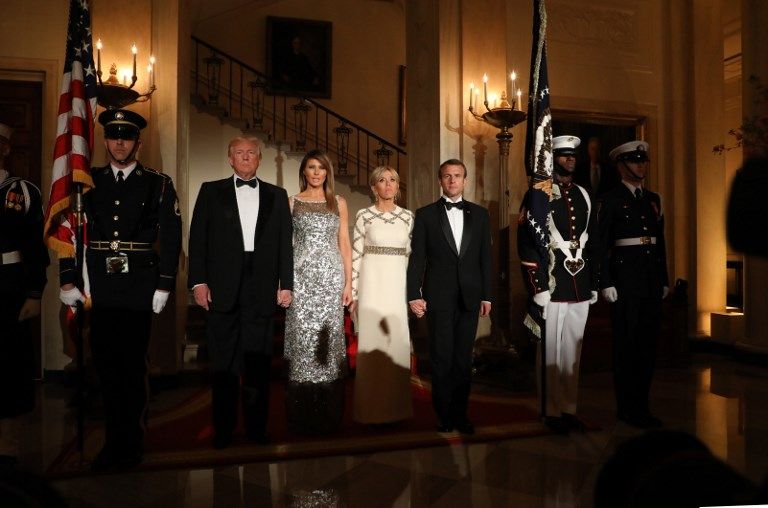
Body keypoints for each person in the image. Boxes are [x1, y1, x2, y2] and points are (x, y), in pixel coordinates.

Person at [58, 109, 181, 471]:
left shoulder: (158, 183)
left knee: (132, 369)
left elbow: (171, 237)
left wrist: (165, 284)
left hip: (139, 287)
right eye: (114, 137)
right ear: (106, 142)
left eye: (126, 137)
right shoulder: (88, 182)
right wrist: (68, 277)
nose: (120, 143)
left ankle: (131, 443)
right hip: (101, 287)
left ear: (138, 143)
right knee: (107, 369)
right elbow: (71, 232)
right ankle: (113, 443)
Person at [188, 136, 293, 449]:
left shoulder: (277, 195)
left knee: (258, 365)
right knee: (223, 364)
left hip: (261, 286)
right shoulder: (210, 191)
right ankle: (223, 430)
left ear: (259, 159)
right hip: (221, 287)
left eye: (251, 153)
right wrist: (198, 282)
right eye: (239, 153)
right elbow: (197, 239)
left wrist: (285, 283)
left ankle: (257, 429)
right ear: (229, 158)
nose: (246, 157)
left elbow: (284, 244)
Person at [518, 135, 599, 434]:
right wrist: (537, 286)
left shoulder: (583, 194)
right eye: (564, 156)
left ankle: (569, 407)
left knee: (572, 353)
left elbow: (593, 241)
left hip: (579, 283)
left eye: (573, 156)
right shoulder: (538, 195)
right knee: (551, 351)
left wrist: (594, 283)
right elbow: (527, 242)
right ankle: (550, 410)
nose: (570, 160)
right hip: (553, 282)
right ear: (554, 159)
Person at [406, 159, 492, 434]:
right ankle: (443, 415)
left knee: (462, 358)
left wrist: (487, 295)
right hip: (438, 297)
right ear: (440, 181)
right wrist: (412, 293)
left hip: (470, 296)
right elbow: (417, 259)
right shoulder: (426, 214)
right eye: (447, 176)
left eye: (457, 176)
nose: (452, 180)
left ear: (465, 180)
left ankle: (460, 413)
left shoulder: (480, 215)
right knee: (442, 357)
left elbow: (485, 259)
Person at [599, 140, 669, 429]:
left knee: (647, 347)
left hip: (650, 280)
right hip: (625, 281)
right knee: (626, 346)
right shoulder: (610, 199)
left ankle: (642, 405)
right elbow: (601, 244)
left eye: (643, 161)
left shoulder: (652, 198)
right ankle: (626, 407)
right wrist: (606, 281)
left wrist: (664, 278)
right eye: (635, 161)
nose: (641, 165)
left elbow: (659, 241)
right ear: (621, 165)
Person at [284, 149, 352, 435]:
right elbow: (284, 245)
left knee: (329, 341)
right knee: (302, 342)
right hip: (301, 280)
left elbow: (344, 243)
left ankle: (329, 416)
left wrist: (349, 283)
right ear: (304, 171)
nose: (316, 172)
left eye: (321, 168)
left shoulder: (338, 202)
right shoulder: (291, 201)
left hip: (330, 281)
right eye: (311, 167)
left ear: (327, 172)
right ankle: (302, 417)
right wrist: (283, 282)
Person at [0, 122, 49, 464]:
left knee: (9, 364)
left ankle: (8, 446)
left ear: (6, 148)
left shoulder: (23, 191)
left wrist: (34, 293)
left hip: (8, 284)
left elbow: (34, 245)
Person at [349, 166, 414, 425]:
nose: (388, 185)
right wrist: (354, 293)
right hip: (371, 288)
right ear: (373, 187)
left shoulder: (408, 217)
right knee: (372, 347)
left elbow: (411, 258)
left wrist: (411, 294)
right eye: (382, 181)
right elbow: (355, 256)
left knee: (395, 346)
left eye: (393, 180)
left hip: (397, 288)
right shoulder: (364, 215)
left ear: (398, 187)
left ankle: (397, 411)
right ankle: (370, 411)